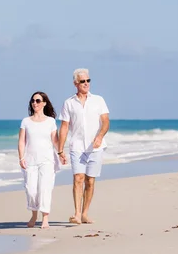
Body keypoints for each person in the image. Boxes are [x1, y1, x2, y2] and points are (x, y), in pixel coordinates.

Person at [57, 68, 110, 224]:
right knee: (78, 178)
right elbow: (65, 127)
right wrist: (60, 149)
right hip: (77, 147)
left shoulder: (99, 100)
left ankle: (85, 213)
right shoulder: (69, 103)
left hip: (95, 147)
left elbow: (106, 121)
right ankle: (77, 214)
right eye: (82, 81)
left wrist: (99, 136)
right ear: (75, 83)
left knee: (90, 181)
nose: (86, 83)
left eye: (88, 80)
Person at [18, 91, 60, 229]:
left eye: (37, 100)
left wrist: (61, 153)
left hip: (47, 160)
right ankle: (34, 214)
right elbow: (21, 141)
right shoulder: (26, 121)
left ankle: (45, 218)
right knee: (31, 189)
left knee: (45, 188)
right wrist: (21, 157)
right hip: (30, 160)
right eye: (33, 101)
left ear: (44, 103)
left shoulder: (50, 121)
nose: (34, 103)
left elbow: (55, 140)